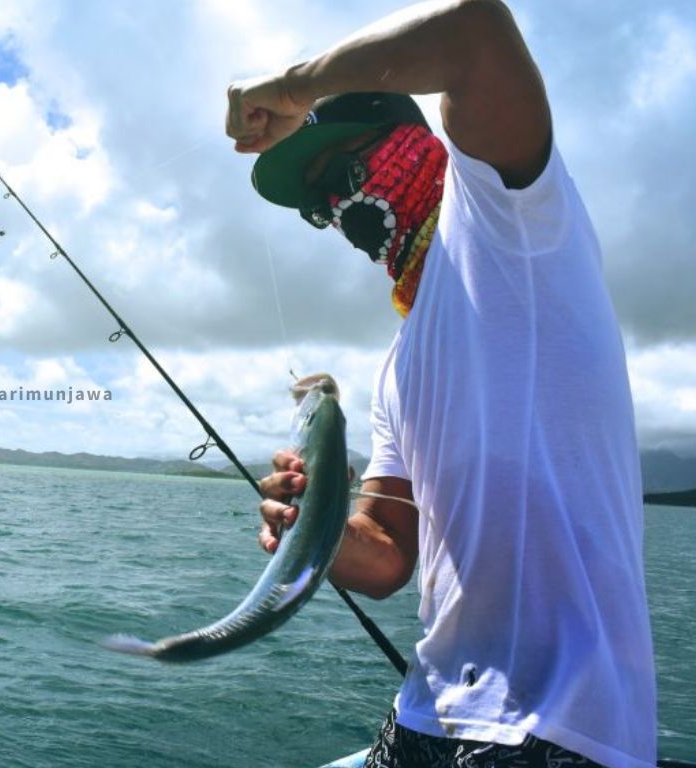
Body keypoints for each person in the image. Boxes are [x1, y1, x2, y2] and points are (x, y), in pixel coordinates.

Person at [225, 2, 656, 767]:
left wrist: (293, 89)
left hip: (553, 729)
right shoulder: (397, 364)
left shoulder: (508, 217)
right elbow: (387, 557)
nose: (340, 208)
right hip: (425, 715)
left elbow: (474, 31)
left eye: (349, 173)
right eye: (321, 204)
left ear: (419, 146)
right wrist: (314, 526)